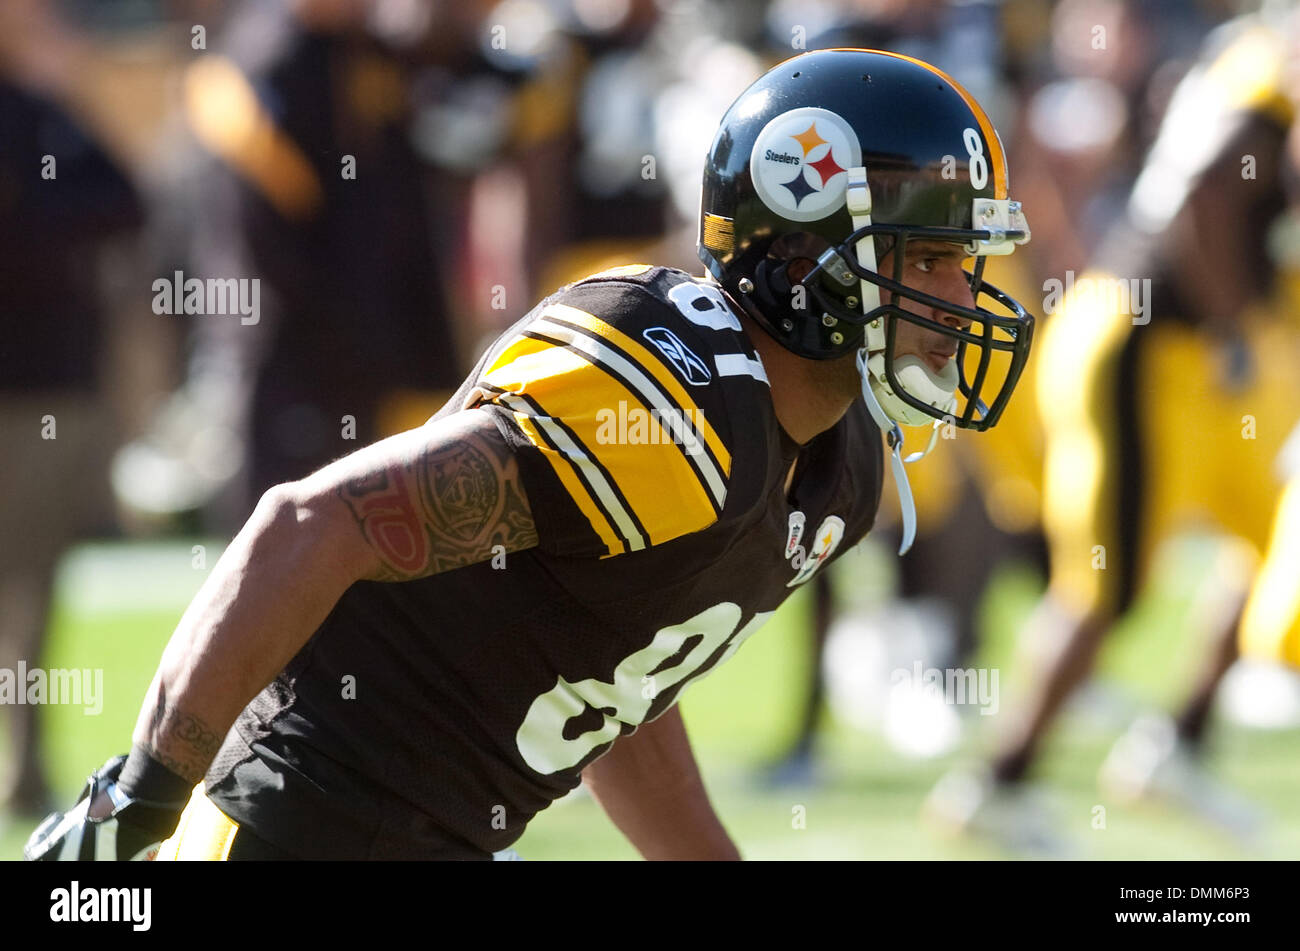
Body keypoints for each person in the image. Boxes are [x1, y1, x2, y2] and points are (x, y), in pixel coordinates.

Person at [26, 47, 1033, 862]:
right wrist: (135, 804)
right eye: (933, 260)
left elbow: (618, 673)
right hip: (295, 824)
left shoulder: (836, 468)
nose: (960, 298)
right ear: (805, 253)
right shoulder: (666, 387)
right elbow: (311, 522)